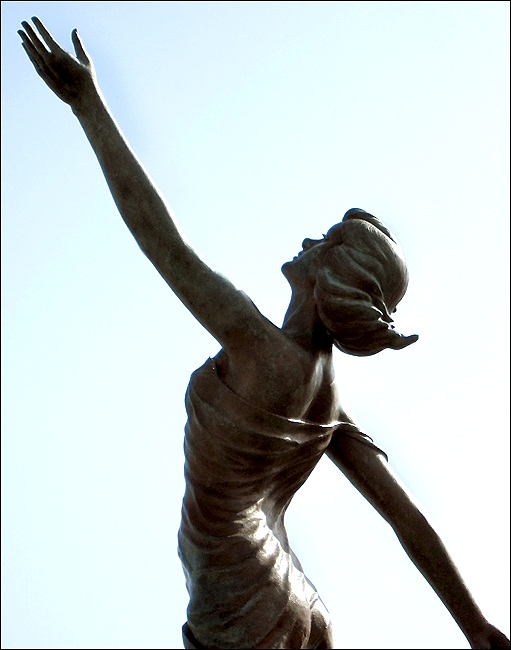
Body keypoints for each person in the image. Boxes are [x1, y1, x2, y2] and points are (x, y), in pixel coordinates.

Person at [18, 17, 510, 650]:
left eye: (324, 240)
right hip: (300, 600)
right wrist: (475, 626)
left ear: (333, 273)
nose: (306, 241)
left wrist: (88, 107)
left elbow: (164, 244)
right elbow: (404, 516)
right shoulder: (329, 404)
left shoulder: (259, 347)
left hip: (238, 587)